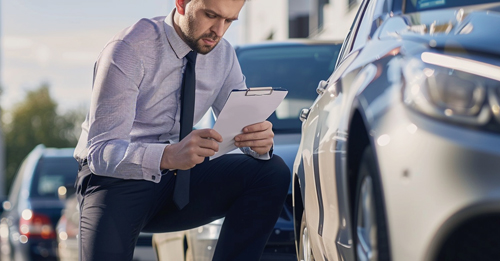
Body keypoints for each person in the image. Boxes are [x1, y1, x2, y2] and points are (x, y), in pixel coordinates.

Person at [73, 0, 291, 260]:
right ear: (181, 3)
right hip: (115, 181)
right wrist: (167, 155)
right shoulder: (128, 49)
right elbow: (100, 152)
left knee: (271, 171)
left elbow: (239, 126)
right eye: (210, 15)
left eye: (229, 21)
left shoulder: (223, 56)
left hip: (179, 180)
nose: (218, 31)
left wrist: (257, 141)